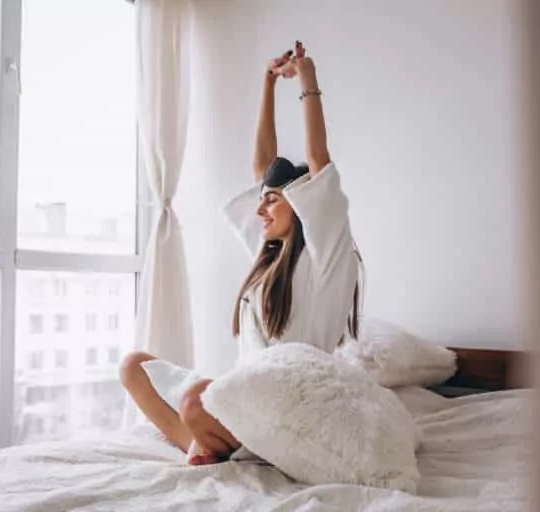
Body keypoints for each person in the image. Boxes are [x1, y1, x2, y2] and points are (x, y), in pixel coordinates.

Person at [120, 41, 361, 466]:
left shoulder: (326, 254)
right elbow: (262, 165)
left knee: (196, 400)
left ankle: (207, 437)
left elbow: (318, 159)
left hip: (290, 400)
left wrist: (307, 77)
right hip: (247, 395)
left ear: (305, 204)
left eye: (272, 200)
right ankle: (202, 442)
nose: (260, 207)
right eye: (263, 199)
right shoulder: (268, 255)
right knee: (133, 366)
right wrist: (267, 83)